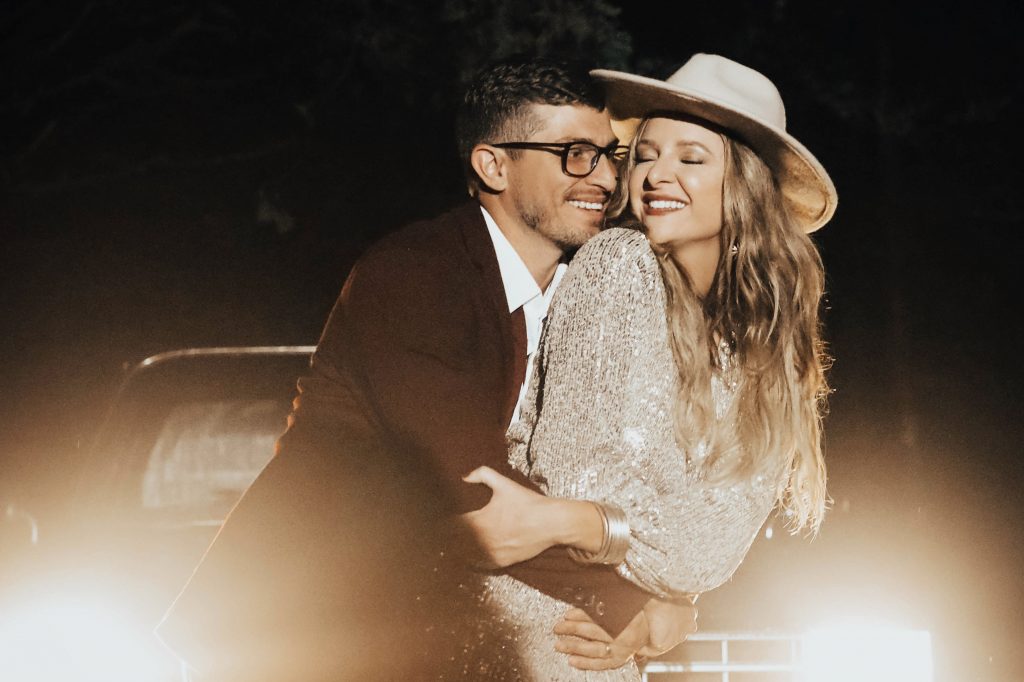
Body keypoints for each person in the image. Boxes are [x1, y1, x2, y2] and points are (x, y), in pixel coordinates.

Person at [157, 58, 695, 681]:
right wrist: (632, 599)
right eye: (575, 153)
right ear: (493, 164)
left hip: (438, 628)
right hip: (304, 630)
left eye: (610, 154)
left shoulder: (587, 291)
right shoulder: (415, 275)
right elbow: (479, 494)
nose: (603, 177)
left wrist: (674, 587)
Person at [458, 53, 837, 680]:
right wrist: (649, 565)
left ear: (743, 188)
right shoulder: (619, 263)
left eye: (691, 158)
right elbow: (580, 478)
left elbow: (712, 550)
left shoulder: (761, 347)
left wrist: (677, 598)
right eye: (645, 155)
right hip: (539, 624)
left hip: (607, 636)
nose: (657, 175)